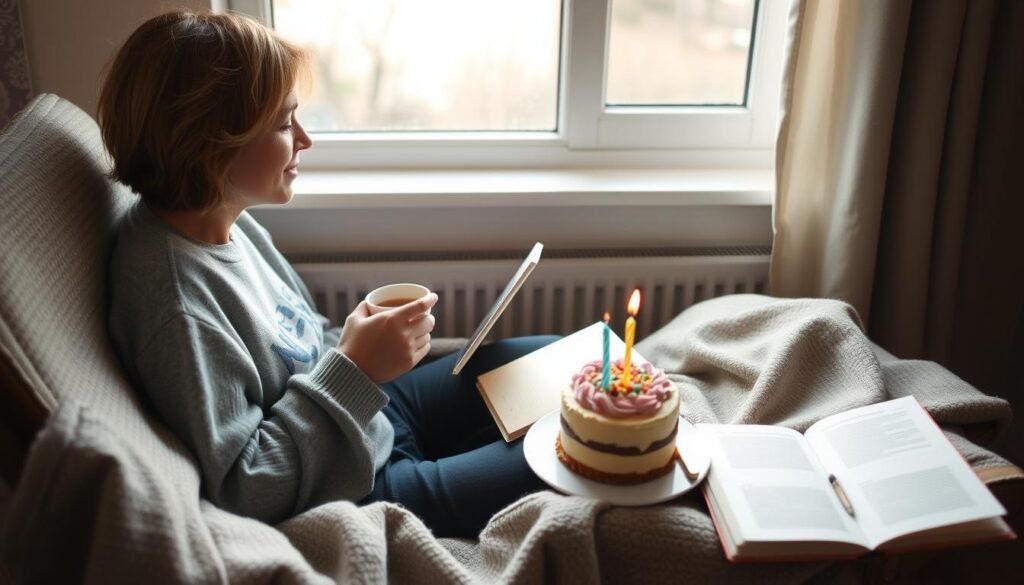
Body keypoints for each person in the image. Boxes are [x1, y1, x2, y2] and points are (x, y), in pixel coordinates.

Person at [99, 10, 553, 538]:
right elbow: (245, 486)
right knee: (577, 448)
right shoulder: (177, 307)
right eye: (283, 123)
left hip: (374, 417)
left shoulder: (223, 220)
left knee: (558, 360)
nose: (305, 139)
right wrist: (355, 370)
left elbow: (304, 337)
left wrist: (358, 341)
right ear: (208, 145)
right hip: (358, 484)